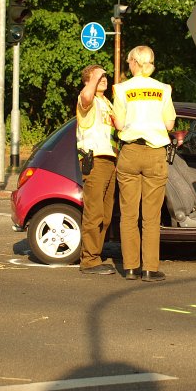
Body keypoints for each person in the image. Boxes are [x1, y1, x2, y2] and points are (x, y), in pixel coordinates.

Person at [112, 46, 176, 281]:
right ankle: (149, 268)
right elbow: (169, 125)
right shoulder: (163, 89)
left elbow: (118, 125)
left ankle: (130, 267)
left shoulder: (121, 89)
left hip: (129, 152)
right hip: (154, 154)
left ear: (135, 62)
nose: (128, 65)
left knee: (128, 215)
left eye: (129, 61)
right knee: (151, 216)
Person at [76, 64, 118, 275]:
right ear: (88, 80)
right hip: (95, 159)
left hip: (110, 159)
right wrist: (93, 79)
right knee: (94, 213)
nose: (103, 77)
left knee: (106, 215)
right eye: (98, 75)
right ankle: (89, 260)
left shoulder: (106, 102)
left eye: (104, 74)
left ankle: (96, 254)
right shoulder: (87, 98)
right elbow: (85, 98)